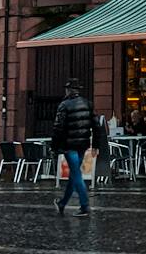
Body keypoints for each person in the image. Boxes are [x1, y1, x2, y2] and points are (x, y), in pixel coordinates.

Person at [50, 78, 98, 217]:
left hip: (69, 145)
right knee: (74, 174)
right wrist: (95, 145)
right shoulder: (88, 104)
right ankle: (62, 203)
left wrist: (54, 146)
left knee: (76, 175)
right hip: (83, 145)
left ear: (68, 90)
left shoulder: (64, 105)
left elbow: (58, 128)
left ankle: (84, 206)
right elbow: (96, 126)